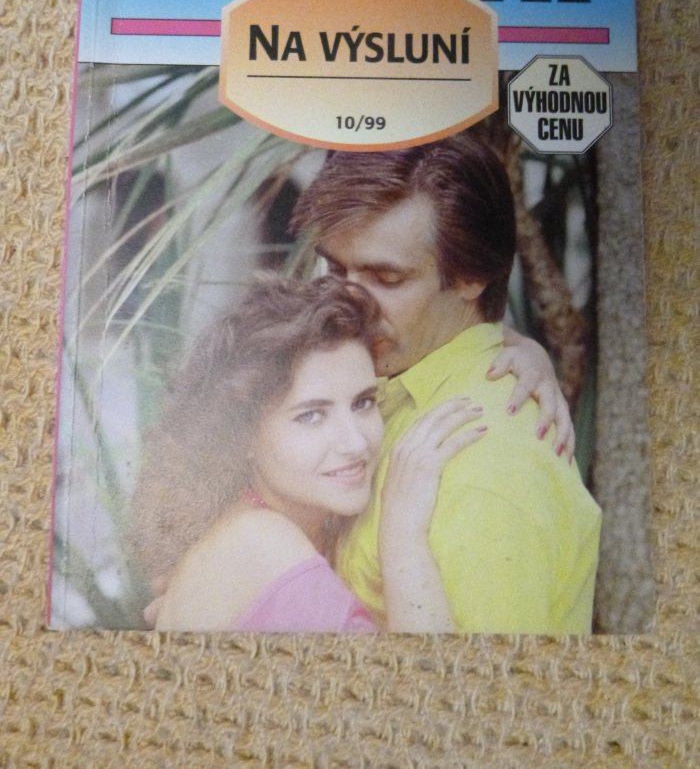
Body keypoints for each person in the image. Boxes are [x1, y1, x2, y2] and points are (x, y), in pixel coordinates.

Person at [291, 133, 602, 633]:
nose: (347, 302)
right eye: (335, 268)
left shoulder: (485, 467)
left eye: (387, 279)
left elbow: (483, 683)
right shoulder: (376, 377)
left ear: (471, 276)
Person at [131, 273, 487, 631]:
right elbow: (421, 670)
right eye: (311, 416)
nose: (355, 443)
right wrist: (403, 539)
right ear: (242, 435)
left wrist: (507, 349)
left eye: (363, 402)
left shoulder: (251, 524)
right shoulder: (264, 548)